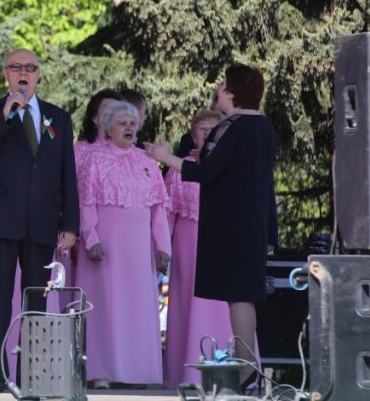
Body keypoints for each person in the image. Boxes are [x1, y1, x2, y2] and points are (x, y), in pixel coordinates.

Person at [145, 64, 278, 390]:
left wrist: (166, 157)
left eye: (222, 84)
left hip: (231, 225)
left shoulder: (234, 128)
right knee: (243, 296)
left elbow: (205, 172)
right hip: (251, 224)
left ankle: (245, 369)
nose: (217, 89)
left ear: (231, 91)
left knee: (238, 296)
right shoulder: (263, 127)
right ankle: (247, 366)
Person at [0, 48, 79, 392]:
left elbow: (67, 172)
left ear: (39, 74)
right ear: (6, 73)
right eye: (16, 67)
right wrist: (5, 115)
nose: (23, 72)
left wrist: (70, 224)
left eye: (30, 67)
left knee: (36, 301)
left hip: (42, 221)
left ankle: (33, 376)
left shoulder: (57, 117)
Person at [75, 100, 171, 389]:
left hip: (139, 248)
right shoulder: (96, 159)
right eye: (122, 123)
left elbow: (159, 210)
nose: (129, 128)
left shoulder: (147, 161)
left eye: (132, 123)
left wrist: (163, 247)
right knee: (106, 305)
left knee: (137, 306)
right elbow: (86, 202)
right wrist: (91, 238)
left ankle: (138, 372)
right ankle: (101, 373)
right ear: (108, 128)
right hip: (106, 246)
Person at [163, 109, 234, 389]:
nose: (208, 134)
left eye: (214, 129)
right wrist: (162, 248)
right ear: (193, 137)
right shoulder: (179, 169)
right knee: (188, 305)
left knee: (225, 306)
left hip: (224, 244)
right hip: (188, 244)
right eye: (203, 129)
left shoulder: (232, 166)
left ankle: (232, 370)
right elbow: (167, 214)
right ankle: (186, 373)